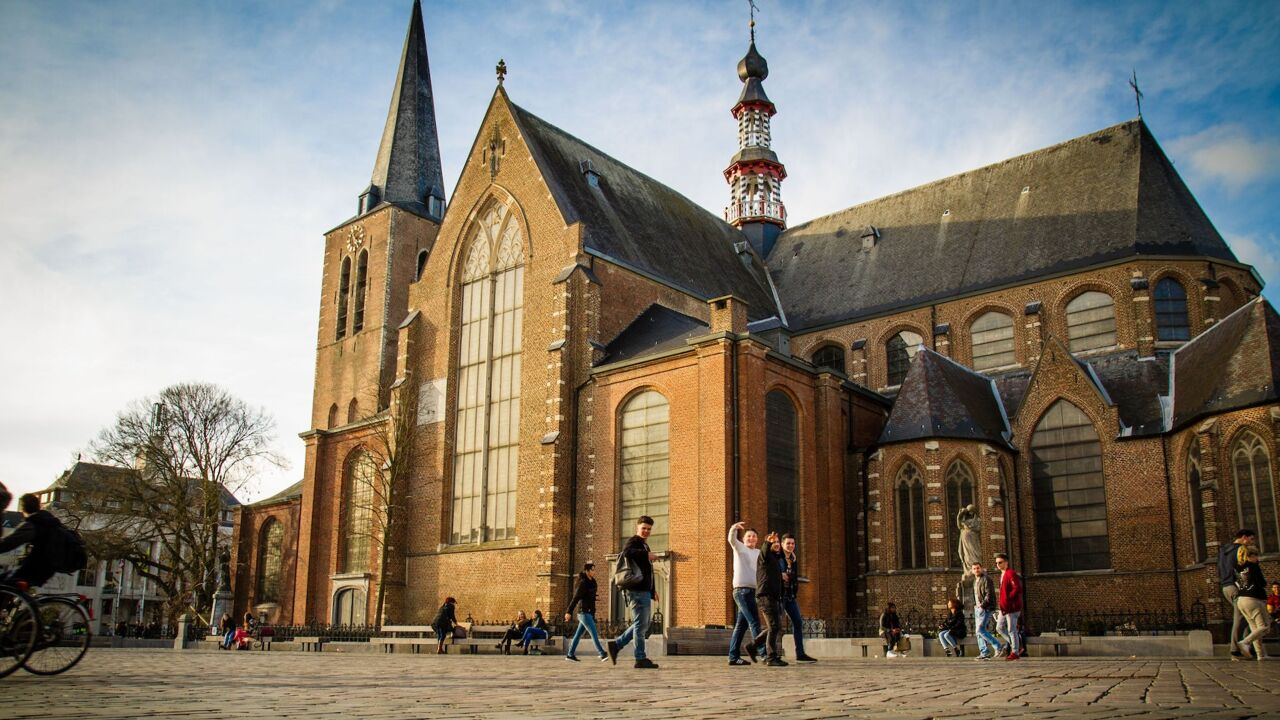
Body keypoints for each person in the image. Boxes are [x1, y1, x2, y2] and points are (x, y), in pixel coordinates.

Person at [608, 515, 660, 669]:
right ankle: (640, 658)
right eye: (643, 528)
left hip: (643, 591)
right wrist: (646, 555)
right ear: (637, 528)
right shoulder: (634, 542)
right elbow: (627, 552)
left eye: (649, 529)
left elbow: (648, 571)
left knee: (642, 624)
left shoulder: (645, 546)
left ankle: (616, 645)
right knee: (640, 625)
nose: (646, 531)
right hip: (636, 591)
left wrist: (653, 590)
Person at [0, 493, 66, 588]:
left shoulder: (33, 523)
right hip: (49, 567)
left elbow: (8, 543)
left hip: (35, 567)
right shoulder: (49, 520)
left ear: (23, 508)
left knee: (4, 583)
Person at [726, 521, 762, 665]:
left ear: (757, 539)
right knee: (754, 622)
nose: (751, 538)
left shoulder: (758, 553)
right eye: (748, 536)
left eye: (753, 536)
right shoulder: (739, 547)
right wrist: (734, 528)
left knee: (741, 626)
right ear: (744, 538)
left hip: (753, 591)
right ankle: (764, 653)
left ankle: (733, 657)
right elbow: (731, 539)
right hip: (741, 591)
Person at [779, 533, 817, 663]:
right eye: (788, 543)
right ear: (782, 544)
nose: (790, 545)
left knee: (798, 623)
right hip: (780, 595)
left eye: (792, 543)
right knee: (776, 625)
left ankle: (800, 653)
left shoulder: (793, 559)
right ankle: (764, 649)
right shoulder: (778, 558)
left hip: (790, 596)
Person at [1219, 529, 1255, 659]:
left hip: (1226, 586)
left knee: (1245, 616)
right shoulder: (1241, 550)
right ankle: (1235, 649)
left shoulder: (1223, 551)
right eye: (1251, 539)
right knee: (1241, 617)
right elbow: (1243, 570)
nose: (1251, 543)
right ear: (1244, 537)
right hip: (1236, 586)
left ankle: (1246, 647)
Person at [754, 531, 788, 666]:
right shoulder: (764, 556)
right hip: (765, 596)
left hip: (773, 597)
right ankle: (771, 657)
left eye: (778, 542)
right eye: (774, 542)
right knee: (774, 626)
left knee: (774, 626)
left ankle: (753, 645)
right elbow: (764, 551)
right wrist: (768, 542)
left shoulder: (775, 559)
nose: (777, 544)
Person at [565, 562, 607, 662]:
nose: (594, 571)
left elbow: (590, 597)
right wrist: (568, 612)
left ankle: (570, 654)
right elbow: (576, 598)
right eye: (592, 569)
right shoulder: (583, 583)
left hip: (589, 612)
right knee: (594, 633)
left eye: (594, 569)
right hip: (583, 612)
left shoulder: (593, 582)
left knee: (578, 635)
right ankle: (602, 653)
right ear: (587, 571)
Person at [1235, 546, 1270, 661]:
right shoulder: (1253, 566)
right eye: (1256, 556)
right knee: (1264, 627)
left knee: (1255, 629)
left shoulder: (1238, 568)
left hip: (1241, 600)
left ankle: (1260, 655)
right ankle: (1245, 642)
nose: (1257, 558)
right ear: (1251, 556)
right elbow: (1262, 583)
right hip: (1253, 599)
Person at [995, 553, 1023, 660]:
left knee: (1011, 629)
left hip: (1011, 607)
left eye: (1000, 562)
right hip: (1004, 607)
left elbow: (1017, 588)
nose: (998, 564)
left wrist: (1008, 599)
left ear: (1006, 562)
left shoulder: (1010, 573)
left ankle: (1015, 652)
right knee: (999, 627)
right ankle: (1016, 644)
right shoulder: (1002, 575)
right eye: (997, 563)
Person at [971, 561, 1002, 660]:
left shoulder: (986, 579)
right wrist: (976, 605)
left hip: (986, 608)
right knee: (978, 632)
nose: (976, 570)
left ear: (981, 568)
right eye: (974, 568)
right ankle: (984, 652)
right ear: (972, 570)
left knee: (980, 629)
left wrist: (982, 606)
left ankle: (998, 646)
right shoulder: (975, 581)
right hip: (978, 608)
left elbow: (989, 595)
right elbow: (976, 595)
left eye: (978, 568)